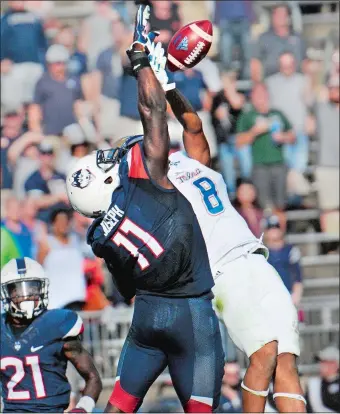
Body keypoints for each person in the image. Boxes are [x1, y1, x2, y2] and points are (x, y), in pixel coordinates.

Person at [66, 6, 224, 414]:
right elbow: (153, 114)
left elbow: (126, 288)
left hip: (148, 316)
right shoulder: (146, 183)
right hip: (191, 313)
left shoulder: (97, 237)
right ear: (104, 184)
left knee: (118, 407)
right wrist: (141, 63)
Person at [147, 38, 306, 412]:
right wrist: (148, 78)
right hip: (221, 271)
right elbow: (152, 124)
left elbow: (193, 123)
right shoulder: (158, 185)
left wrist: (168, 85)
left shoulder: (196, 162)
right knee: (263, 353)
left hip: (255, 258)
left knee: (286, 356)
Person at [0, 257, 102, 413]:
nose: (26, 296)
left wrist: (82, 408)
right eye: (18, 291)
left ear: (42, 289)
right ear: (7, 294)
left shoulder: (57, 324)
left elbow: (93, 378)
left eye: (32, 289)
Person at [236, 83, 295, 229]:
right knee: (265, 206)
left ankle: (280, 236)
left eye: (262, 94)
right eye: (257, 95)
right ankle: (268, 237)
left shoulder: (277, 114)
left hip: (279, 163)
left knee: (280, 205)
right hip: (260, 165)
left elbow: (293, 136)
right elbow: (239, 141)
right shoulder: (248, 116)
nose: (260, 99)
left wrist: (283, 137)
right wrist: (255, 131)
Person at [37, 208, 87, 311]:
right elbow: (38, 267)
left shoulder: (76, 240)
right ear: (53, 224)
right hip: (55, 300)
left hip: (76, 298)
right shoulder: (46, 243)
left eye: (65, 221)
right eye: (59, 221)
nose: (63, 224)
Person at [250, 4, 307, 82]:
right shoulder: (264, 38)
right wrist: (258, 84)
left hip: (296, 81)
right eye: (278, 14)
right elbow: (255, 62)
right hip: (271, 81)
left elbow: (305, 62)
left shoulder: (298, 38)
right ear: (273, 17)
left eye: (284, 14)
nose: (281, 17)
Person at [264, 215, 304, 309]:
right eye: (270, 228)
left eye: (276, 227)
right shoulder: (262, 251)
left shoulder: (291, 250)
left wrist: (296, 296)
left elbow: (298, 276)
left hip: (288, 294)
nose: (273, 231)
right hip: (268, 297)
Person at [305, 346, 340, 412]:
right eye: (321, 361)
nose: (321, 364)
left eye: (325, 361)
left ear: (336, 364)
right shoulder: (315, 383)